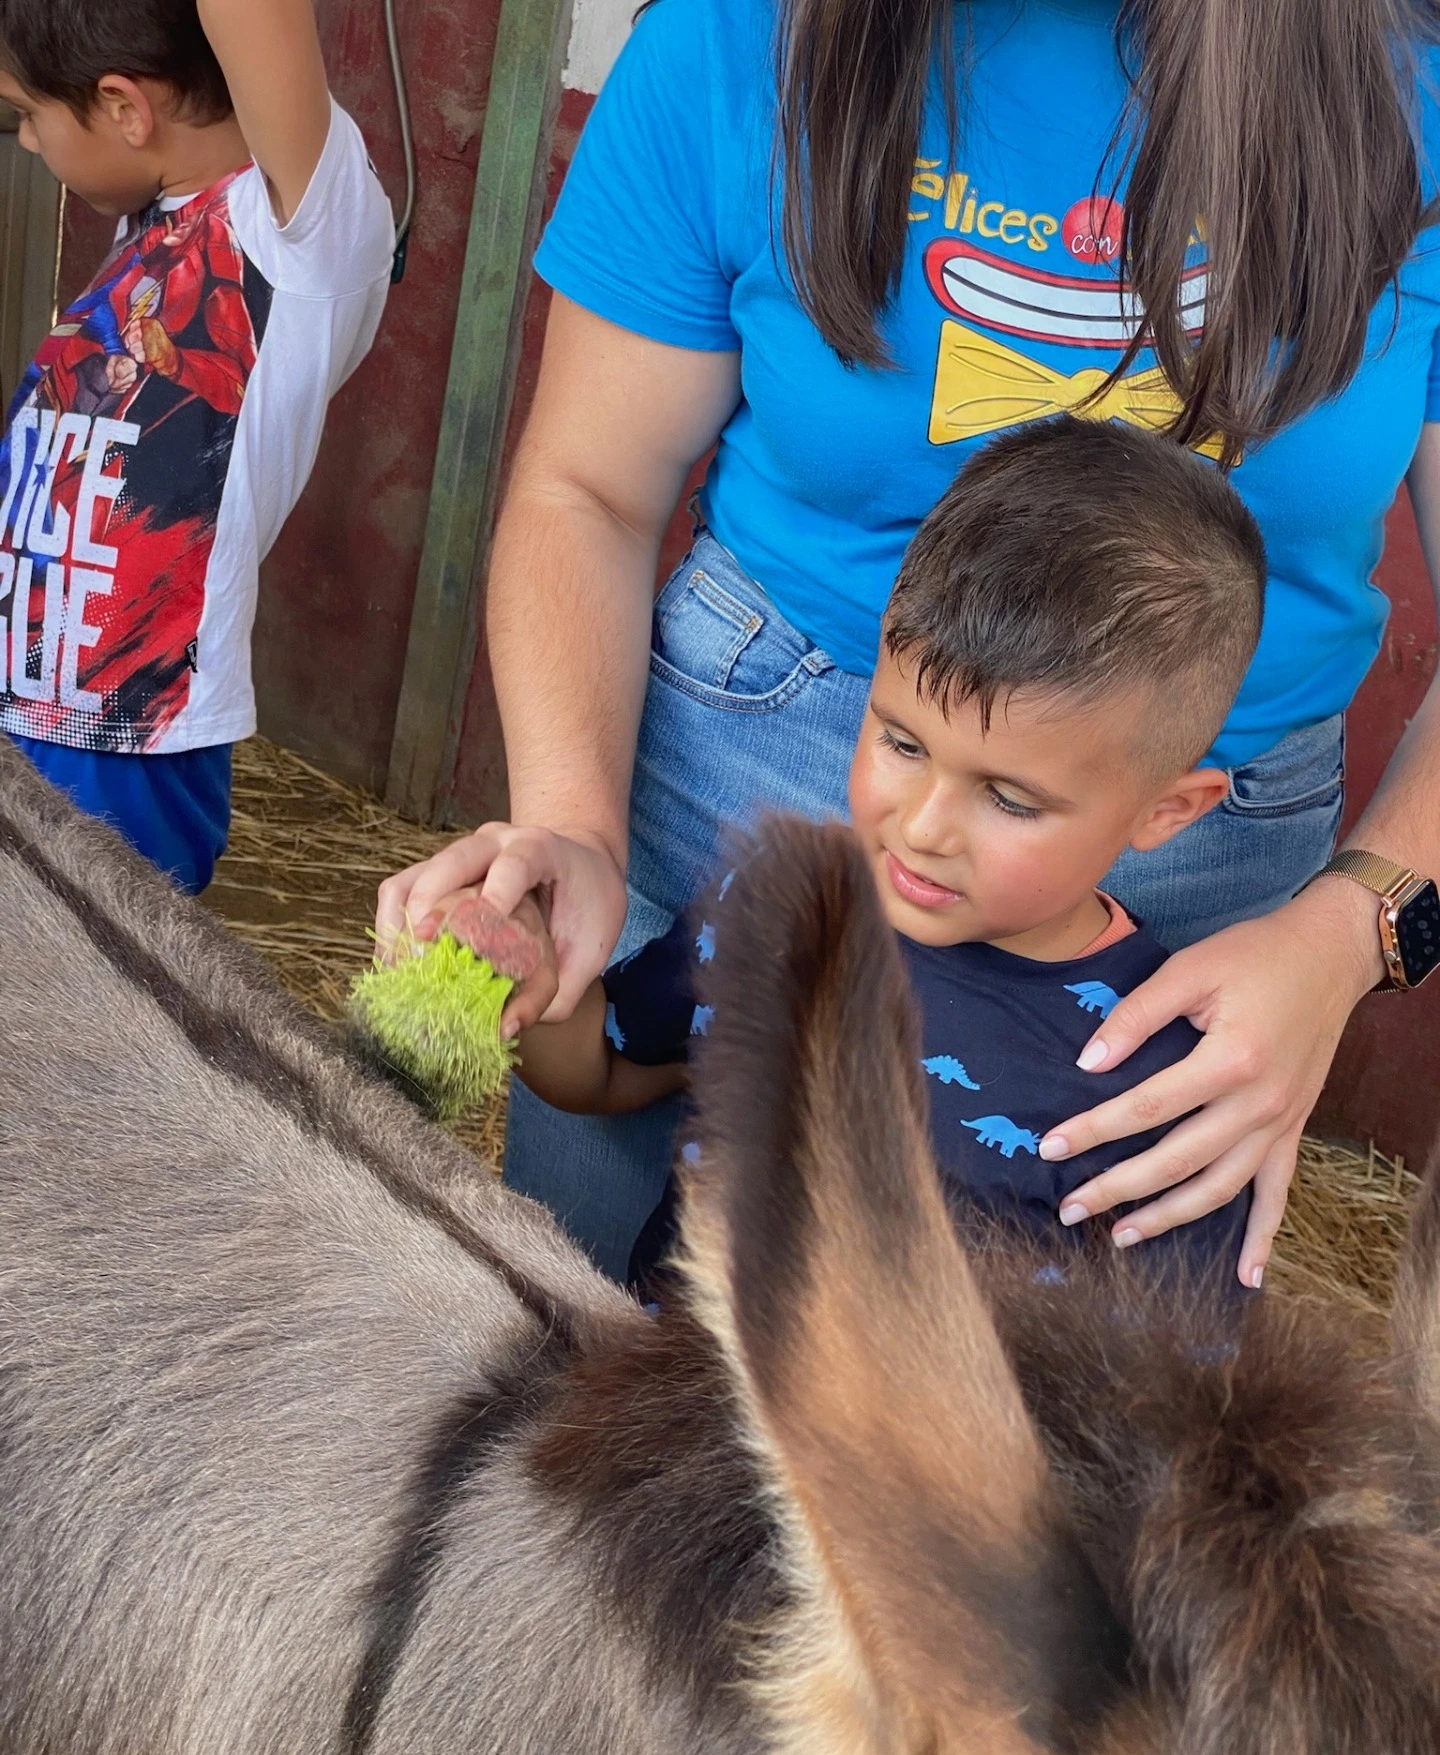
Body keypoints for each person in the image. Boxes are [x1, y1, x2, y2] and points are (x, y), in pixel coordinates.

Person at [378, 0, 1440, 1289]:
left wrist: (1351, 933)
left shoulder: (1417, 93)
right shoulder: (736, 39)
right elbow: (585, 491)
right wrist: (573, 835)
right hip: (756, 779)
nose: (929, 823)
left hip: (1215, 870)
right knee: (591, 1319)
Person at [483, 419, 1263, 1296]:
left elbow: (1161, 1411)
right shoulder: (774, 903)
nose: (924, 826)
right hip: (656, 1414)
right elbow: (610, 1069)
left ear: (1168, 811)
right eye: (900, 742)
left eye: (1009, 799)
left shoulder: (1166, 1082)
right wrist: (528, 972)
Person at [0, 0, 394, 892]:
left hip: (125, 733)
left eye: (28, 114)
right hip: (32, 698)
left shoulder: (294, 241)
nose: (26, 140)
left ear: (126, 109)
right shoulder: (154, 221)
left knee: (97, 997)